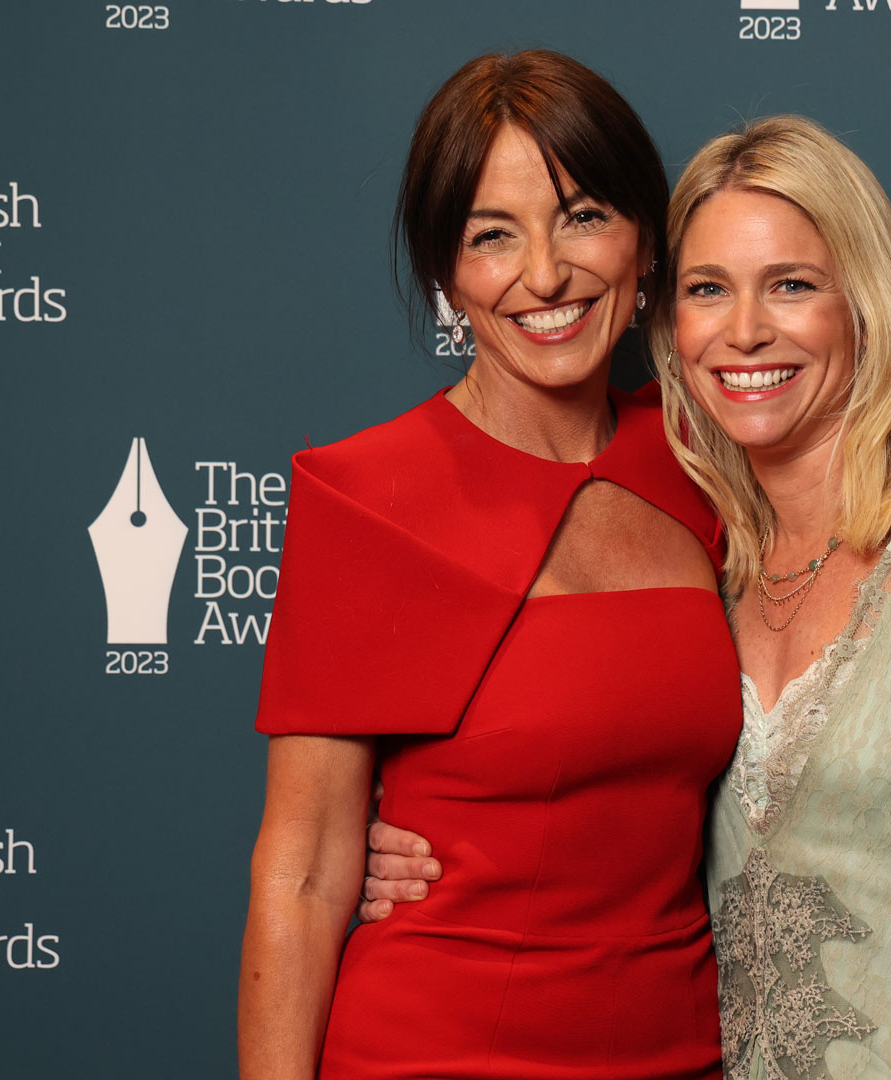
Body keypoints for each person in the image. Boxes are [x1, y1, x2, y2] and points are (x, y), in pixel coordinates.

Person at [366, 116, 891, 1078]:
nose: (744, 331)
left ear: (863, 303)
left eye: (791, 285)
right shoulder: (708, 549)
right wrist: (416, 845)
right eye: (708, 290)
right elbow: (603, 788)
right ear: (671, 320)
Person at [238, 51, 737, 1080]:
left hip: (683, 1052)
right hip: (436, 1048)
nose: (544, 275)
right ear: (448, 274)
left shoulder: (710, 463)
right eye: (491, 236)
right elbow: (302, 871)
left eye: (584, 216)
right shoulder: (366, 495)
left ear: (647, 242)